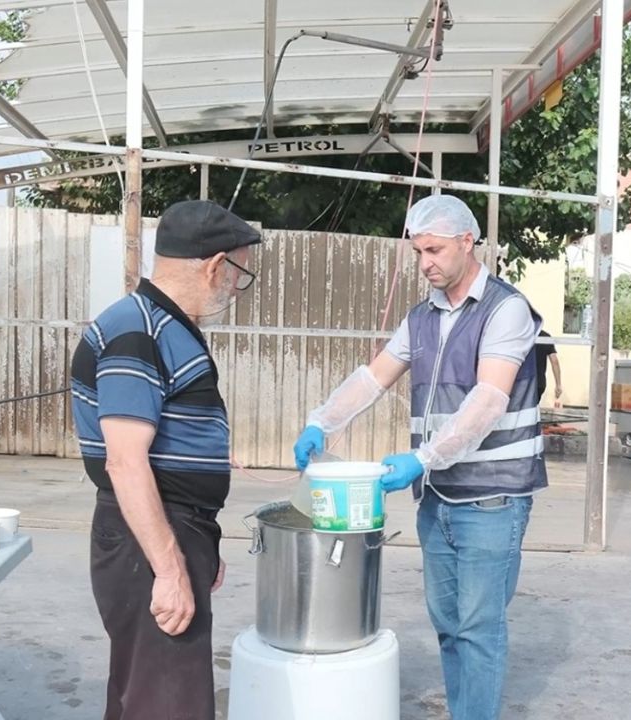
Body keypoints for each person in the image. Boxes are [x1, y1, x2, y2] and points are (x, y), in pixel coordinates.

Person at [293, 194, 545, 720]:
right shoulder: (422, 317)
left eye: (434, 250)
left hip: (492, 498)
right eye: (417, 252)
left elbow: (488, 400)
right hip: (438, 497)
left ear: (467, 242)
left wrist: (423, 457)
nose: (425, 263)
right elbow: (374, 378)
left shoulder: (506, 309)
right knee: (449, 625)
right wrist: (322, 420)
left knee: (478, 627)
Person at [70, 200, 260, 720]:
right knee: (168, 705)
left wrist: (200, 544)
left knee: (145, 695)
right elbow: (125, 462)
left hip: (168, 529)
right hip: (147, 538)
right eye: (240, 274)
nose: (236, 288)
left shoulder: (161, 325)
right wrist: (171, 567)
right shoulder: (139, 331)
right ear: (216, 265)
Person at [534, 328, 562, 407]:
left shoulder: (521, 333)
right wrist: (558, 385)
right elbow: (554, 361)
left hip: (523, 382)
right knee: (533, 408)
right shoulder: (545, 337)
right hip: (539, 382)